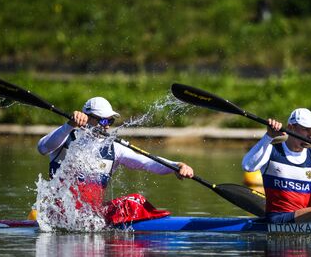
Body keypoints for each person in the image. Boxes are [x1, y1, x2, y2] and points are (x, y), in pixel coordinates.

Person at [37, 96, 194, 225]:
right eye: (102, 121)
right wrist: (69, 125)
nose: (106, 127)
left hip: (92, 218)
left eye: (109, 121)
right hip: (60, 216)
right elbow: (42, 148)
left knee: (135, 201)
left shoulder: (115, 148)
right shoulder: (65, 138)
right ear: (86, 118)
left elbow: (147, 162)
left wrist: (176, 166)